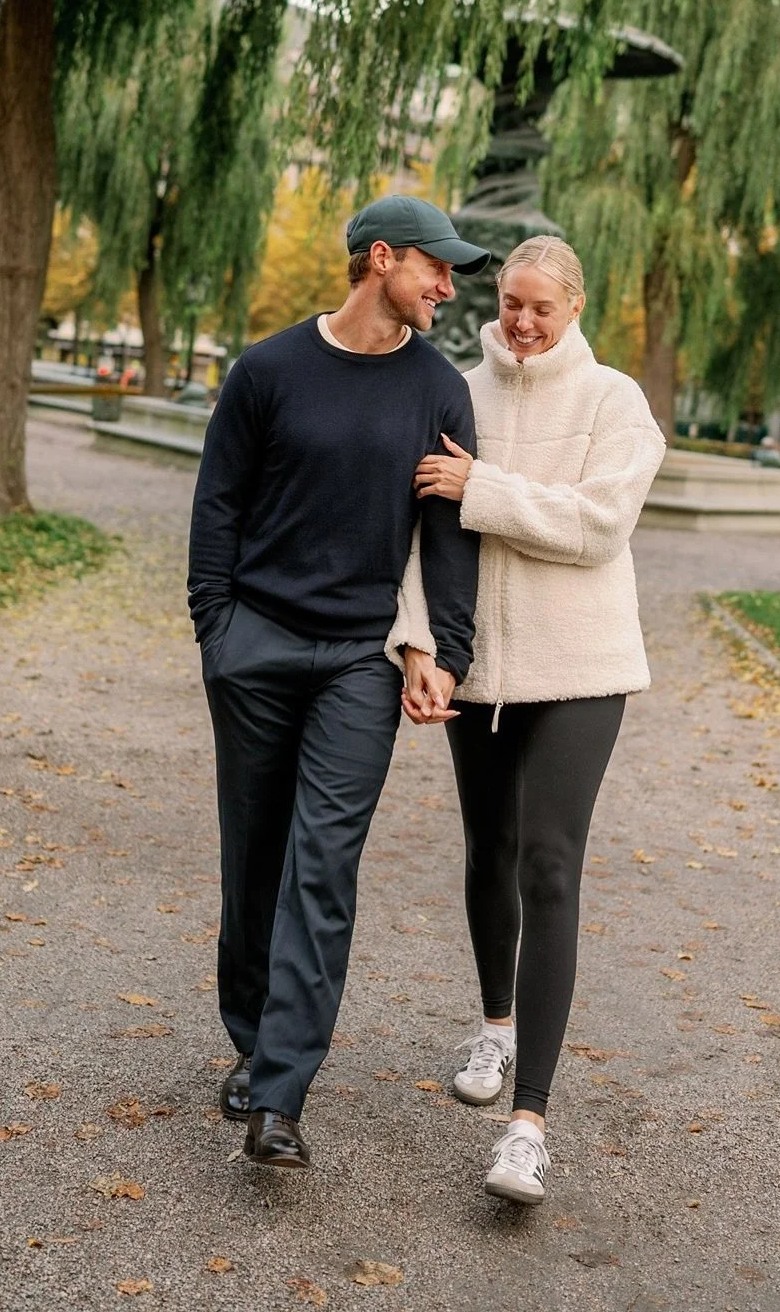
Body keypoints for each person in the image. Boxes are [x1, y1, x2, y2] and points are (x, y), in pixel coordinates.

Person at [187, 195, 487, 1169]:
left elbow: (446, 541)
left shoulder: (439, 390)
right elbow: (216, 510)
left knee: (324, 866)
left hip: (360, 661)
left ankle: (280, 1091)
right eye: (434, 267)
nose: (448, 285)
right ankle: (250, 1036)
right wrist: (218, 634)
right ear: (379, 258)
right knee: (256, 853)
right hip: (258, 647)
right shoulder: (268, 370)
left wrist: (446, 648)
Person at [389, 236, 666, 1206]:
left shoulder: (613, 402)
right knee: (487, 848)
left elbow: (599, 523)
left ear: (575, 305)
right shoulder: (459, 390)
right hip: (480, 669)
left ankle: (528, 1123)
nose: (521, 320)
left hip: (583, 667)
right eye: (509, 301)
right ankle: (494, 1024)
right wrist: (419, 646)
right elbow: (424, 532)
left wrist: (488, 489)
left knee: (548, 861)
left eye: (540, 306)